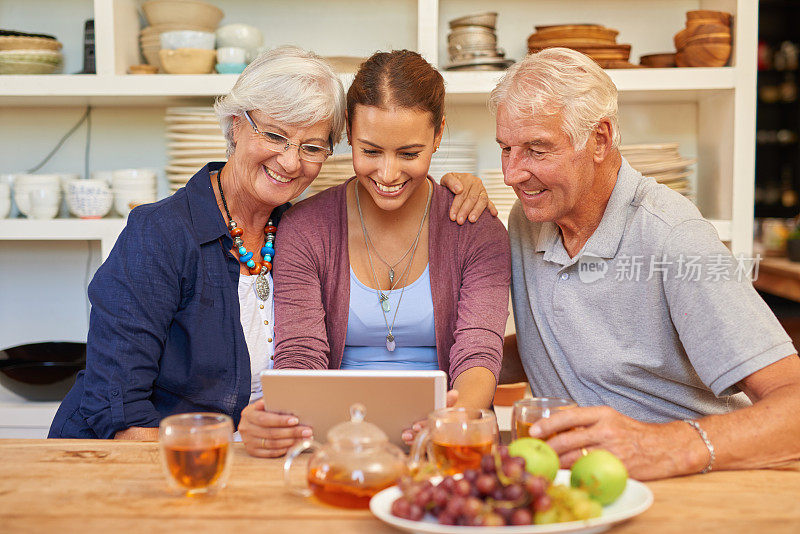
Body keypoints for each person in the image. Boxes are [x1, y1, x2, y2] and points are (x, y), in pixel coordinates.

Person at [48, 46, 494, 440]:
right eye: (275, 135)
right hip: (135, 458)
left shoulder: (293, 225)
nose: (289, 161)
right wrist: (232, 443)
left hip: (251, 455)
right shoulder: (160, 234)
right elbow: (117, 412)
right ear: (236, 126)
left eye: (312, 146)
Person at [494, 47, 800, 480]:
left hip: (687, 484)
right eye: (505, 148)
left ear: (600, 139)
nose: (511, 174)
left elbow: (794, 409)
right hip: (585, 485)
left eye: (537, 150)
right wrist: (464, 364)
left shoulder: (673, 236)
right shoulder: (528, 220)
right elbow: (570, 345)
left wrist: (662, 447)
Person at [238, 50, 511, 458]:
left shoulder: (476, 230)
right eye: (370, 151)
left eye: (409, 154)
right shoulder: (307, 228)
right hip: (336, 443)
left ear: (438, 136)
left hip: (450, 439)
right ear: (348, 132)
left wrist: (459, 416)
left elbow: (478, 351)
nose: (387, 174)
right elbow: (301, 354)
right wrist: (286, 416)